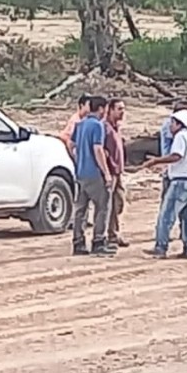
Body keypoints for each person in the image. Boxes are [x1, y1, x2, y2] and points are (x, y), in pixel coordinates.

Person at [137, 109, 187, 260]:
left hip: (180, 180)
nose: (170, 126)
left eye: (173, 123)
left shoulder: (180, 137)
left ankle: (161, 247)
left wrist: (156, 161)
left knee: (166, 215)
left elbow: (176, 156)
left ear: (180, 124)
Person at [69, 96, 113, 257]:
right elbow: (98, 149)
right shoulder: (98, 126)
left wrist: (78, 159)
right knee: (102, 207)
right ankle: (98, 242)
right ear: (101, 109)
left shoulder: (80, 125)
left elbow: (71, 144)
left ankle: (78, 242)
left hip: (80, 173)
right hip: (94, 173)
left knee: (80, 210)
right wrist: (106, 173)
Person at [104, 98, 127, 249]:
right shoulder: (105, 128)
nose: (122, 111)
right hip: (111, 171)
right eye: (119, 108)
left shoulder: (115, 128)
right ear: (110, 110)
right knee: (109, 203)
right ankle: (109, 235)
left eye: (123, 108)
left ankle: (113, 232)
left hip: (118, 171)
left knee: (119, 202)